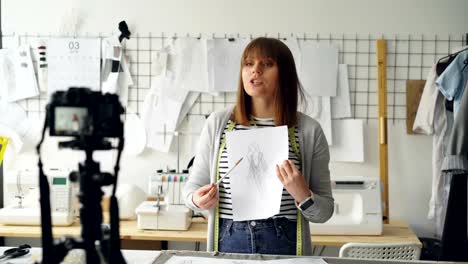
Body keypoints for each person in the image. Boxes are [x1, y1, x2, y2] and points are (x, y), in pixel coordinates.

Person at [183, 37, 334, 256]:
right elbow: (191, 190)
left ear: (285, 74)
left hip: (284, 243)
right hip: (229, 238)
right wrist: (198, 199)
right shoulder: (218, 124)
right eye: (248, 63)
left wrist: (303, 195)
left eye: (267, 64)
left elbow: (325, 212)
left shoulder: (309, 131)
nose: (255, 71)